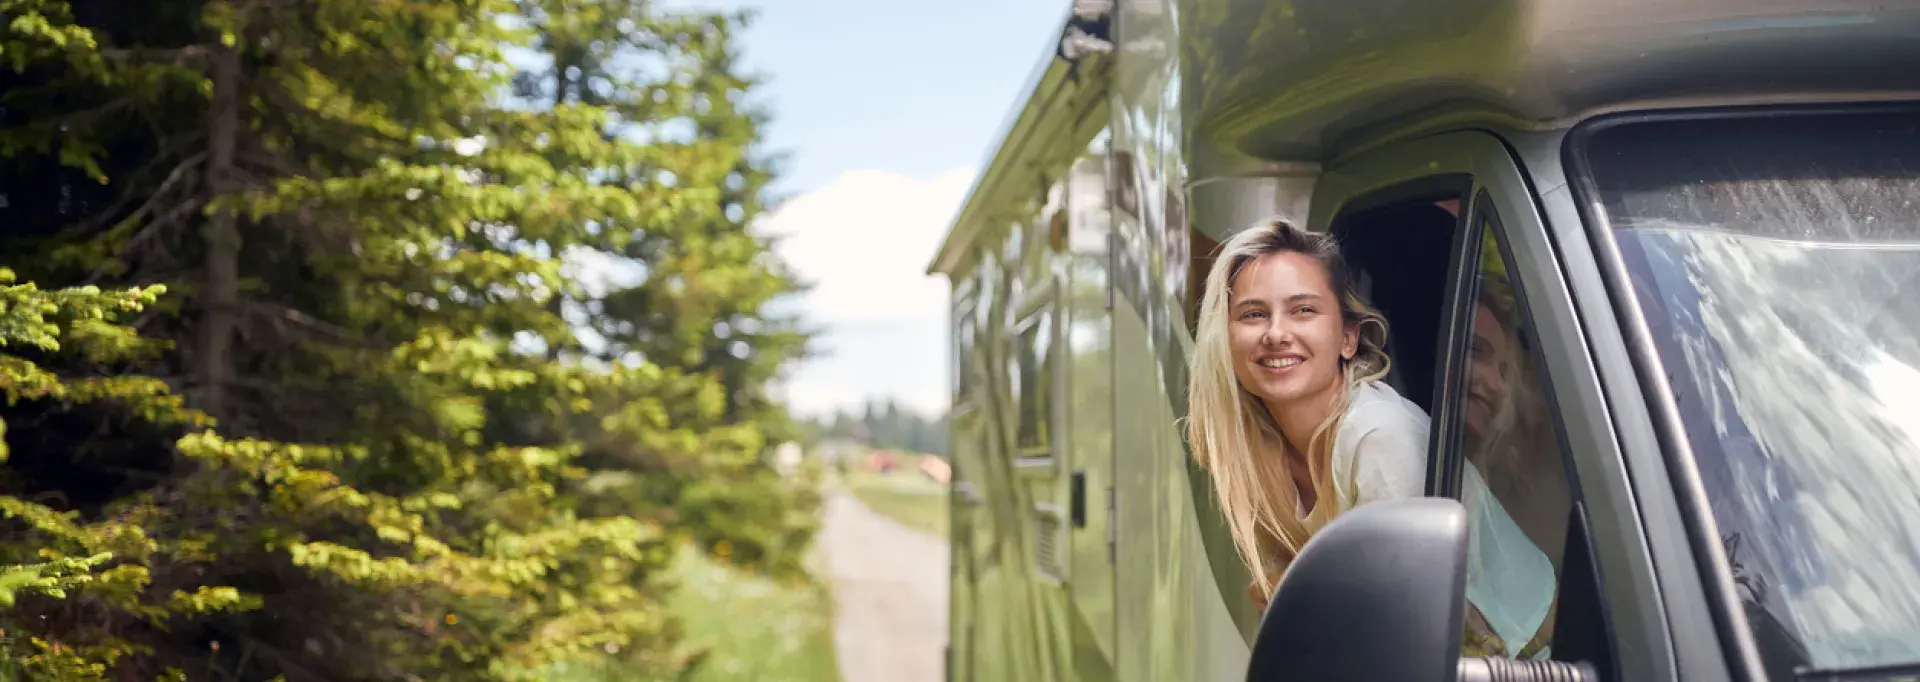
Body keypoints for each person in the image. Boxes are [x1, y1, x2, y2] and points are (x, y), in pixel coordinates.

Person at [1185, 217, 1431, 608]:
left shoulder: (1380, 436)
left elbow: (1399, 608)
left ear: (1348, 338)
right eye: (1253, 314)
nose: (1276, 334)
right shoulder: (1258, 448)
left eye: (1303, 310)